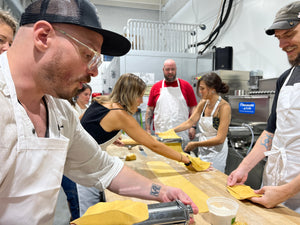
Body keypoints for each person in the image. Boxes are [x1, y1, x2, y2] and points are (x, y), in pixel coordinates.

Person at [0, 0, 198, 224]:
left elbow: (102, 167)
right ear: (43, 36)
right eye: (88, 56)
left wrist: (161, 192)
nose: (94, 72)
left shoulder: (60, 110)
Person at [77, 73, 197, 216]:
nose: (141, 101)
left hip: (83, 163)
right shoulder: (120, 114)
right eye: (139, 96)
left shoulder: (101, 101)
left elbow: (80, 125)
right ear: (130, 95)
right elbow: (153, 144)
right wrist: (186, 159)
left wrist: (106, 137)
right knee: (90, 216)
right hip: (85, 170)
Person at [227, 1, 300, 213]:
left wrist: (287, 191)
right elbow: (270, 131)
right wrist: (243, 168)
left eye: (289, 33)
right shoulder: (285, 79)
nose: (282, 44)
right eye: (279, 38)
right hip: (274, 186)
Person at [172, 72, 231, 172]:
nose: (200, 91)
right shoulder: (204, 103)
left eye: (202, 88)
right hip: (203, 149)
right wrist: (171, 131)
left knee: (213, 180)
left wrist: (196, 144)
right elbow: (190, 122)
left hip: (217, 152)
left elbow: (220, 139)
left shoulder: (224, 107)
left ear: (212, 89)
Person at [145, 59, 198, 148]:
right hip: (161, 132)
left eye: (172, 69)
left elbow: (194, 108)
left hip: (181, 132)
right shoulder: (155, 87)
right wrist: (147, 130)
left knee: (181, 158)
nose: (170, 72)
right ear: (163, 70)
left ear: (176, 69)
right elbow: (150, 109)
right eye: (167, 69)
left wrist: (193, 127)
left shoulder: (186, 86)